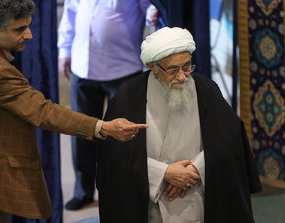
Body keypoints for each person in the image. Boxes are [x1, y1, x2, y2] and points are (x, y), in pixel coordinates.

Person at [0, 0, 147, 223]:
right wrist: (103, 127)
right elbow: (44, 112)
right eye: (20, 29)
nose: (29, 35)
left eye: (28, 26)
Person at [96, 27, 262, 223]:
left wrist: (196, 169)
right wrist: (164, 174)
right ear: (153, 66)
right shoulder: (128, 95)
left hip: (197, 199)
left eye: (187, 66)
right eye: (173, 69)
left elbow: (230, 141)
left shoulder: (206, 89)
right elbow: (114, 158)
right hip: (151, 205)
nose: (182, 76)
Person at [57, 0, 157, 210]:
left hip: (123, 68)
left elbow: (151, 3)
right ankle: (83, 191)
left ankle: (125, 192)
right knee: (81, 132)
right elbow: (70, 13)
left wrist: (153, 12)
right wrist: (64, 52)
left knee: (125, 135)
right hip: (83, 67)